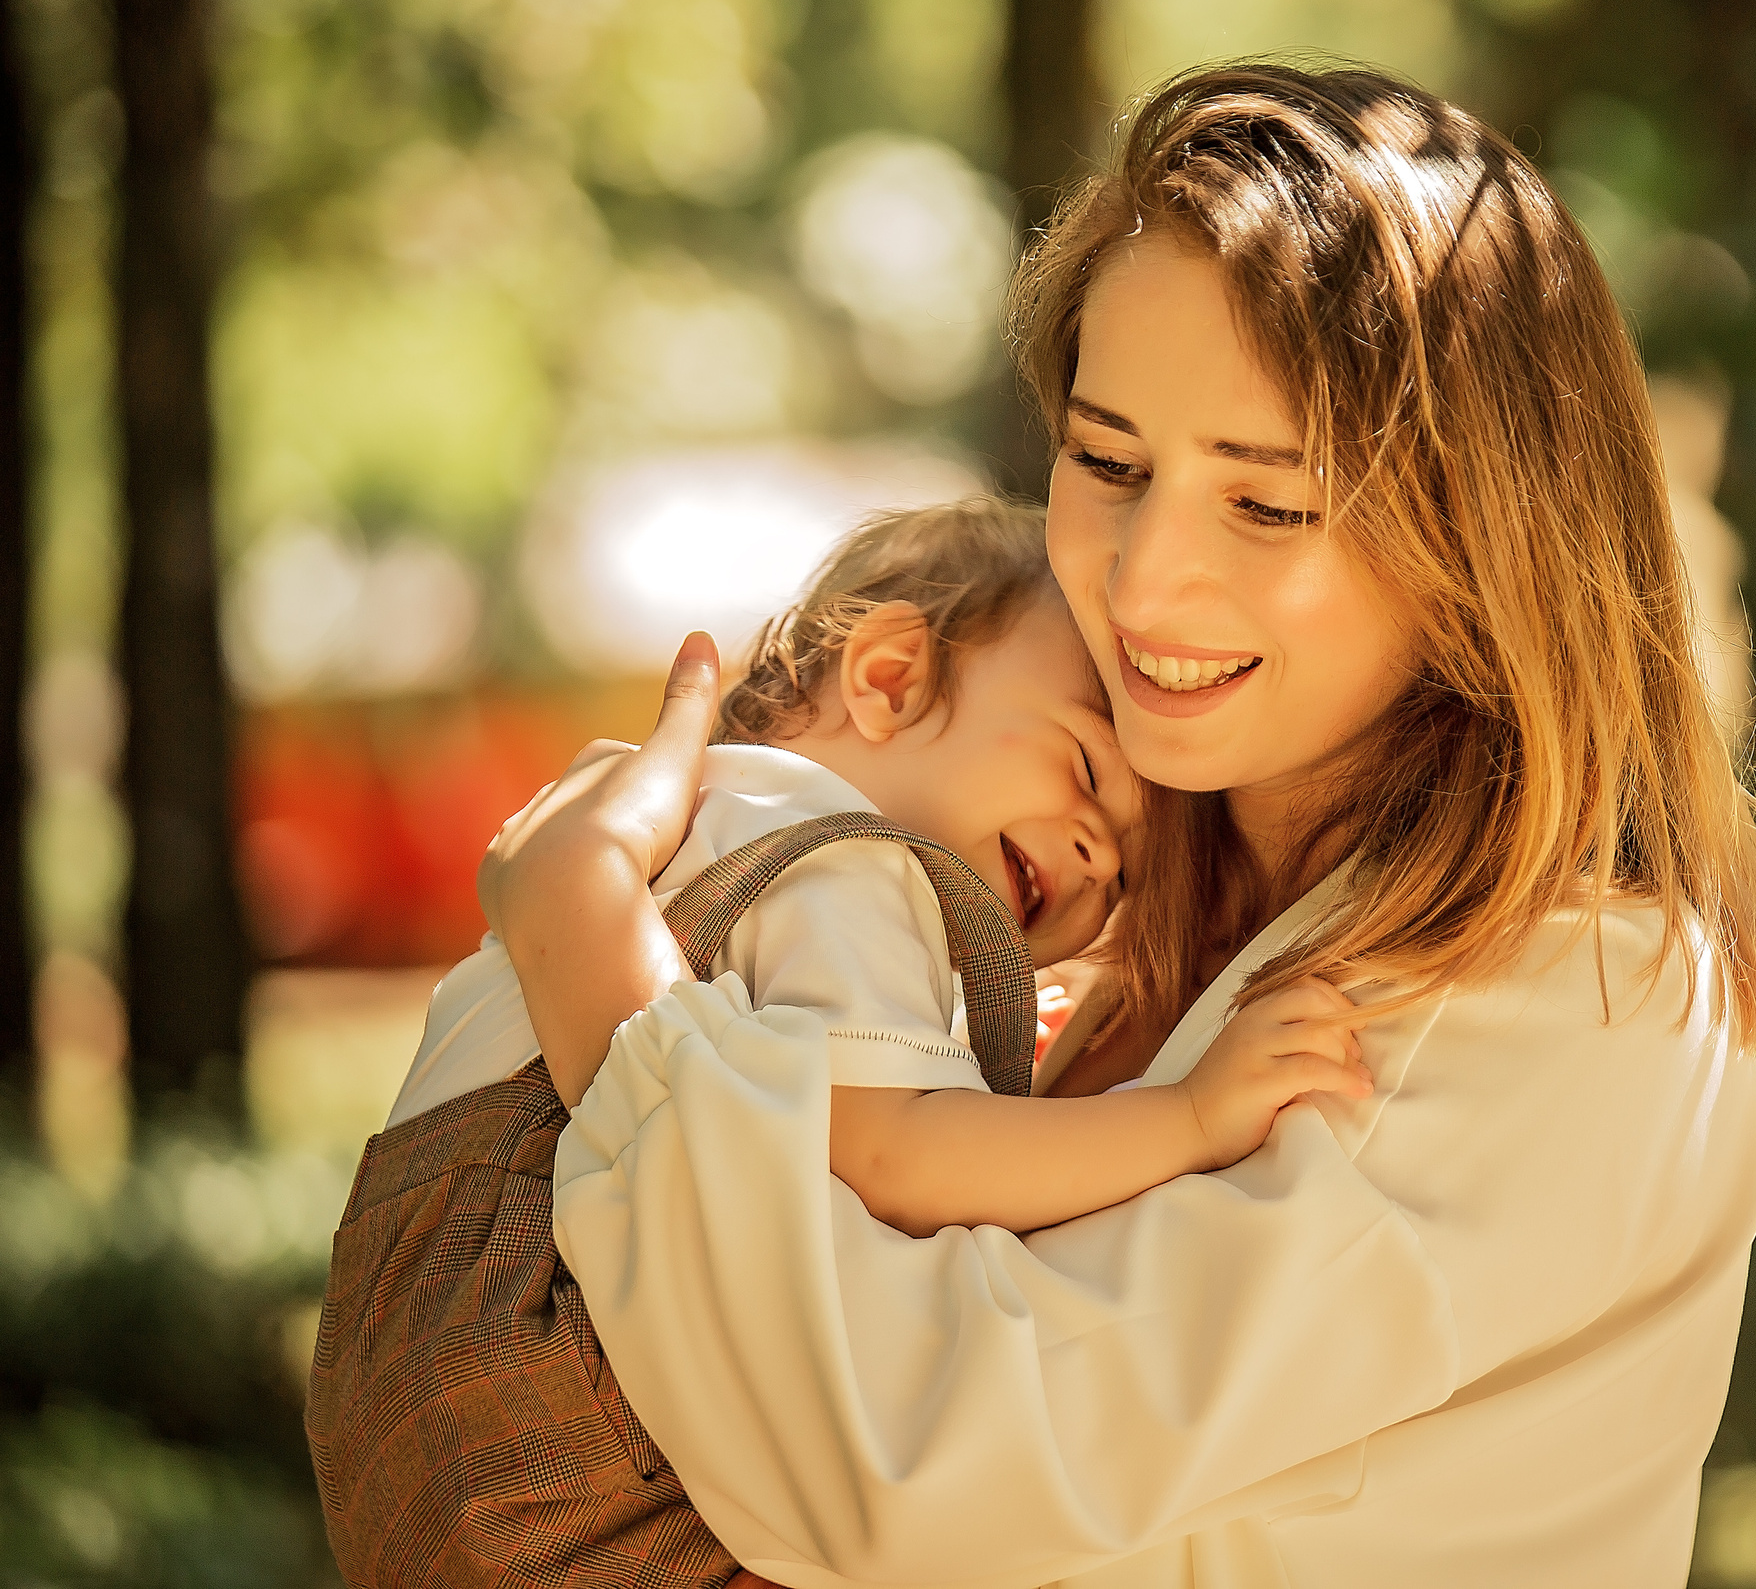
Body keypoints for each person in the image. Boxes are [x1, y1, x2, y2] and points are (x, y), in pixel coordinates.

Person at [488, 61, 1756, 1588]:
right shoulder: (1111, 949)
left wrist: (599, 969)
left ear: (1477, 543)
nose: (1142, 575)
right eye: (1109, 463)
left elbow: (903, 1462)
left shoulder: (1577, 1005)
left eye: (1270, 502)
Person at [308, 499, 1373, 1586]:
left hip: (405, 1382)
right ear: (889, 680)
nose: (1099, 857)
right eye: (1089, 773)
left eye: (1127, 880)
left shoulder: (706, 832)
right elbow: (891, 1156)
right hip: (567, 1402)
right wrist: (1184, 1117)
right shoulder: (851, 862)